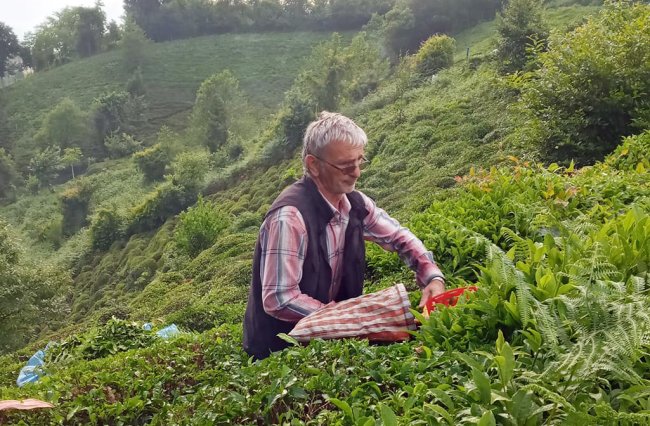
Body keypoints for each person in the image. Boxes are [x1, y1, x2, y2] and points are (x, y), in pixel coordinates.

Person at [243, 111, 446, 360]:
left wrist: (432, 276)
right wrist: (348, 317)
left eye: (360, 161)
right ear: (313, 165)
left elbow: (398, 237)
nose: (357, 173)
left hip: (331, 344)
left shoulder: (355, 204)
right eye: (346, 165)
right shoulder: (290, 217)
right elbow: (279, 298)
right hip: (280, 352)